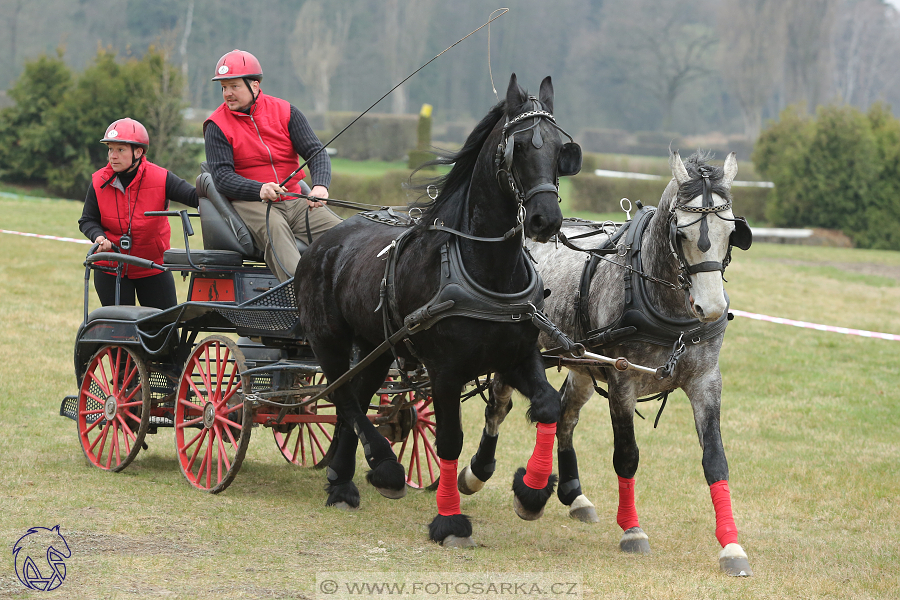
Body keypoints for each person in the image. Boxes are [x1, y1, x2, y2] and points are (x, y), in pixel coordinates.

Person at [203, 48, 341, 282]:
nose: (227, 94)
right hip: (252, 203)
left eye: (234, 86)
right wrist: (259, 189)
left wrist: (320, 186)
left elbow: (316, 153)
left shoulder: (286, 112)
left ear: (254, 85)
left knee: (346, 235)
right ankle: (302, 296)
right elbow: (222, 177)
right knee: (276, 230)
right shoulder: (216, 125)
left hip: (295, 201)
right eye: (223, 87)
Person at [78, 118, 199, 309]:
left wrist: (215, 188)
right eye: (110, 149)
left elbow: (196, 197)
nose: (113, 156)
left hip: (153, 268)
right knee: (121, 333)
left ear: (139, 152)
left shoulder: (162, 178)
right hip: (111, 269)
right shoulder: (98, 181)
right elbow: (87, 220)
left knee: (164, 332)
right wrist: (98, 236)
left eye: (120, 149)